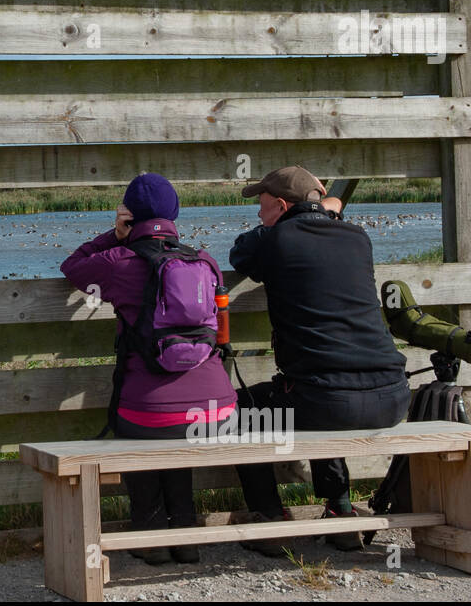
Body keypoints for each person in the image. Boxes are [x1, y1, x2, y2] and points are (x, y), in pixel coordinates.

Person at [229, 166, 410, 553]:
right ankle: (340, 511)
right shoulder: (358, 238)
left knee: (245, 407)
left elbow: (240, 253)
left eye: (262, 208)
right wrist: (326, 210)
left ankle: (269, 522)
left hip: (325, 400)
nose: (258, 217)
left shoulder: (274, 240)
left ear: (280, 206)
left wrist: (287, 223)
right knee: (322, 391)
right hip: (392, 395)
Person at [61, 174, 237, 565]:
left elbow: (72, 267)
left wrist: (114, 235)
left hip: (149, 410)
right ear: (175, 214)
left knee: (150, 422)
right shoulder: (205, 262)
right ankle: (186, 534)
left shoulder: (119, 262)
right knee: (180, 426)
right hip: (217, 410)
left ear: (129, 213)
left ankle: (151, 534)